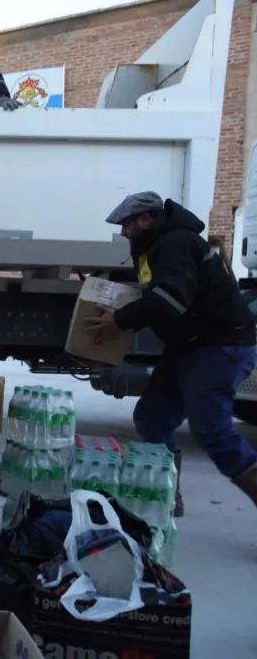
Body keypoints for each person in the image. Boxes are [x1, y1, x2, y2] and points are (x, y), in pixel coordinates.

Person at [86, 191, 257, 516]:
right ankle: (165, 496)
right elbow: (158, 299)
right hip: (189, 346)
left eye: (126, 224)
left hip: (219, 345)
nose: (123, 232)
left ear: (146, 219)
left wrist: (119, 321)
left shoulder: (175, 243)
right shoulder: (156, 246)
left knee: (211, 430)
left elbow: (170, 300)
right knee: (153, 418)